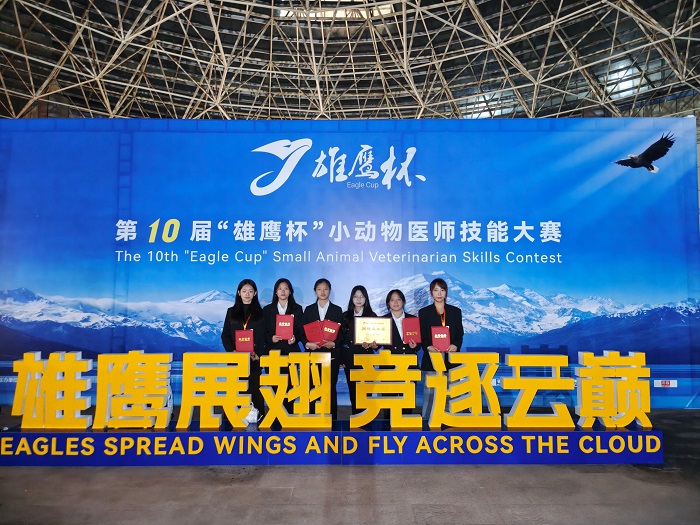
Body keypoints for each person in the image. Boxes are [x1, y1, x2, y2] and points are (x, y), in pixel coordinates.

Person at [418, 277, 464, 419]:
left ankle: (451, 420)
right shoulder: (424, 312)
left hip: (451, 359)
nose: (439, 293)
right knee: (431, 394)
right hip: (432, 359)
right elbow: (422, 335)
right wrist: (428, 346)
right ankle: (428, 421)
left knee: (452, 392)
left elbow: (460, 334)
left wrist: (456, 345)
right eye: (436, 290)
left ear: (446, 292)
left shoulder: (455, 311)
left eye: (442, 290)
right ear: (431, 292)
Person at [221, 278, 266, 425]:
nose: (247, 294)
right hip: (236, 360)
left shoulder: (261, 313)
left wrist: (258, 354)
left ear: (255, 293)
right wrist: (232, 351)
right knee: (235, 391)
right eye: (244, 291)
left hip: (253, 359)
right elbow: (225, 335)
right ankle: (232, 421)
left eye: (250, 291)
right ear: (239, 293)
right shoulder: (231, 312)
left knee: (255, 391)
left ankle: (258, 422)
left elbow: (264, 337)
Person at [301, 278, 344, 420]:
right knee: (312, 388)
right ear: (315, 291)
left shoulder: (337, 310)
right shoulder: (309, 310)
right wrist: (307, 344)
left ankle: (332, 420)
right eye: (319, 289)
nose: (322, 292)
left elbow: (342, 334)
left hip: (331, 356)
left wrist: (334, 343)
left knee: (330, 388)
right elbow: (302, 332)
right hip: (313, 355)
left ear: (329, 291)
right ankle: (312, 419)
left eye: (325, 289)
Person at [262, 278, 304, 414]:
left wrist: (295, 338)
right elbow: (262, 332)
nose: (283, 291)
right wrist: (270, 338)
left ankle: (289, 416)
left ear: (290, 292)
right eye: (280, 289)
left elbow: (301, 331)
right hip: (272, 353)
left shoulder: (297, 309)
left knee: (290, 386)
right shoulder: (267, 310)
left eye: (286, 288)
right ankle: (275, 415)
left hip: (291, 352)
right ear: (275, 292)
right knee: (274, 387)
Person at [340, 285, 378, 415]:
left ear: (366, 298)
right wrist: (341, 359)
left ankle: (366, 418)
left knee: (367, 390)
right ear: (351, 298)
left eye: (361, 296)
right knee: (353, 389)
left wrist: (373, 344)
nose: (358, 299)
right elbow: (340, 340)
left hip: (367, 358)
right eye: (356, 296)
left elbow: (377, 340)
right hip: (349, 358)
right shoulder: (345, 316)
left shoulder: (372, 316)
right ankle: (356, 417)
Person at [382, 289, 421, 414]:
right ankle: (388, 426)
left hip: (409, 366)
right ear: (388, 303)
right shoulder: (382, 320)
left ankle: (406, 426)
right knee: (389, 404)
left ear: (403, 302)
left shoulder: (413, 319)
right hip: (389, 367)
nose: (395, 302)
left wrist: (415, 345)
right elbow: (376, 344)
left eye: (398, 299)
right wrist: (373, 344)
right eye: (392, 300)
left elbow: (420, 344)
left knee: (407, 403)